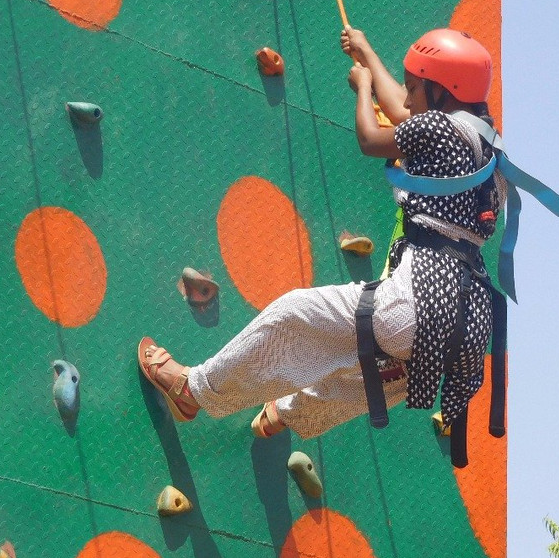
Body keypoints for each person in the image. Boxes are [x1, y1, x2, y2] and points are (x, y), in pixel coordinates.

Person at [138, 27, 504, 443]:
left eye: (415, 87)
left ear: (441, 92)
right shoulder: (485, 144)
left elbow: (373, 137)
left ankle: (193, 390)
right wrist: (366, 51)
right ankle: (284, 416)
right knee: (380, 373)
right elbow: (408, 117)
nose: (406, 96)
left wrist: (364, 89)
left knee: (295, 315)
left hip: (419, 298)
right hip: (467, 322)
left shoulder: (438, 129)